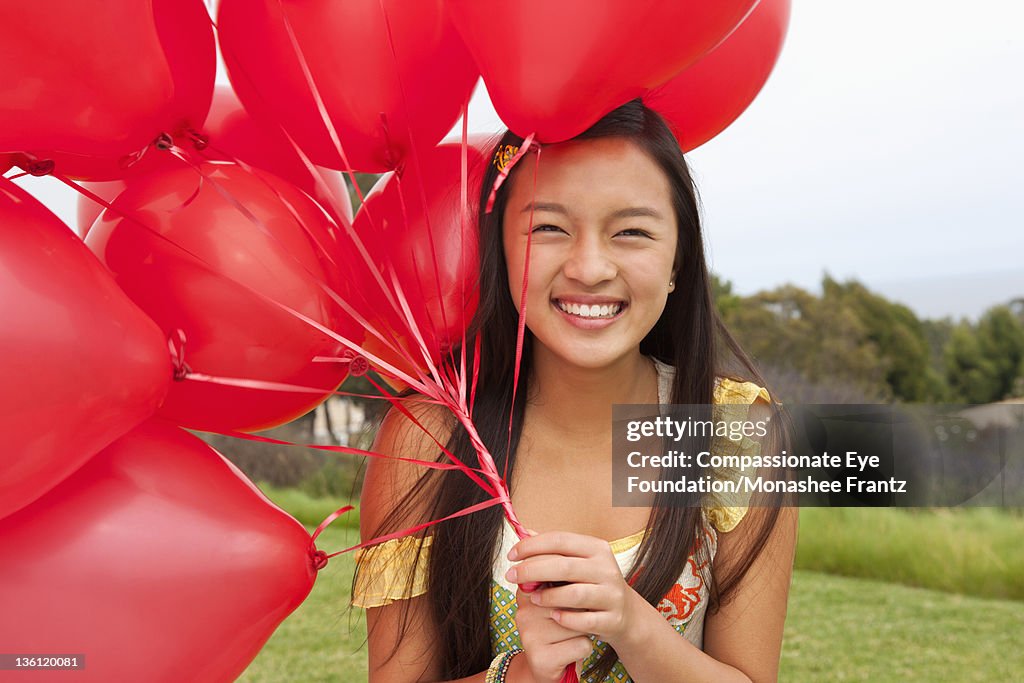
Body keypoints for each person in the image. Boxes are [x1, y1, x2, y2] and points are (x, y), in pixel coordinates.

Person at [353, 99, 798, 683]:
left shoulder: (735, 434)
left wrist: (633, 628)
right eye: (549, 228)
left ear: (677, 260)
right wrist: (520, 675)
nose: (589, 268)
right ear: (500, 250)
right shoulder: (428, 440)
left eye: (632, 232)